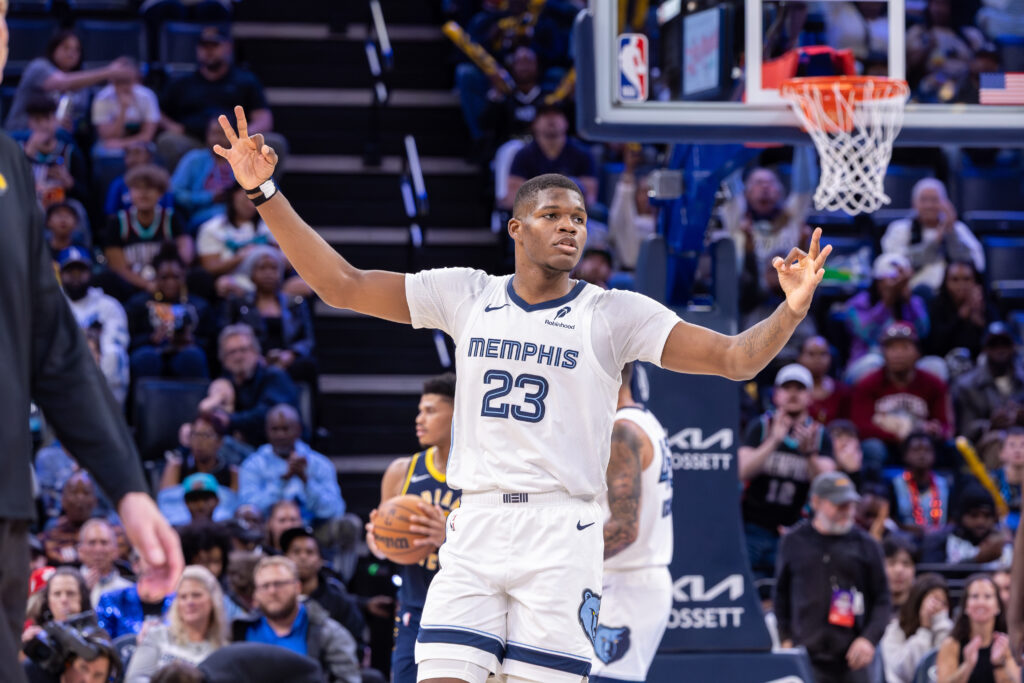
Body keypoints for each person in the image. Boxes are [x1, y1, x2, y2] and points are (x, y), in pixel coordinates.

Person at [214, 106, 831, 683]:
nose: (570, 227)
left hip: (562, 529)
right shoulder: (466, 293)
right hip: (476, 520)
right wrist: (263, 193)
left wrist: (790, 310)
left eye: (580, 219)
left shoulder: (614, 313)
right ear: (516, 227)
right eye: (553, 215)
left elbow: (732, 358)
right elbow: (342, 285)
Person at [365, 373, 458, 683]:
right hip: (414, 610)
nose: (419, 419)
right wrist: (378, 541)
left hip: (465, 609)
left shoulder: (482, 476)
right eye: (420, 410)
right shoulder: (402, 471)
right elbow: (382, 547)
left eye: (431, 411)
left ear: (458, 413)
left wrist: (449, 538)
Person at [588, 363, 673, 683]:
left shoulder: (622, 431)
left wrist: (557, 561)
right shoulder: (643, 421)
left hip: (628, 584)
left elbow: (624, 529)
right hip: (625, 582)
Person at [774, 472, 891, 683]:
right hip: (805, 654)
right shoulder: (793, 542)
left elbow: (883, 599)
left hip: (851, 657)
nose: (847, 512)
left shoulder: (867, 545)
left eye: (850, 505)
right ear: (816, 502)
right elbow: (780, 595)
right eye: (839, 505)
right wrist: (786, 639)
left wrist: (868, 639)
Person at [739, 363, 836, 578]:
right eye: (787, 388)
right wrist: (773, 441)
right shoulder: (761, 427)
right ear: (776, 394)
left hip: (796, 530)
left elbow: (828, 486)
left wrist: (809, 456)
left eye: (799, 389)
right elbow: (742, 471)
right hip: (753, 528)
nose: (793, 394)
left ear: (810, 396)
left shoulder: (818, 435)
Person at [159, 26, 285, 173]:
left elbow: (264, 118)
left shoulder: (245, 80)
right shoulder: (182, 83)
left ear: (228, 48)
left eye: (215, 45)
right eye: (204, 46)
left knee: (274, 144)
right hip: (195, 141)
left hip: (236, 142)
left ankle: (256, 194)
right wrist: (175, 128)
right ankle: (180, 192)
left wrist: (244, 136)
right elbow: (159, 113)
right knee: (167, 141)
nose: (209, 51)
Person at [231, 556, 360, 683]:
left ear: (298, 587)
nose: (272, 591)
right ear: (256, 593)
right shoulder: (239, 628)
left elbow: (348, 679)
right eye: (265, 586)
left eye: (279, 584)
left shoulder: (329, 633)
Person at [850, 322, 953, 475]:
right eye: (892, 348)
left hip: (923, 445)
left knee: (952, 448)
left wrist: (936, 430)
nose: (898, 354)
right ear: (883, 353)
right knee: (871, 448)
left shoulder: (933, 384)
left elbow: (945, 426)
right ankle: (874, 493)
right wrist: (900, 434)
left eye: (904, 347)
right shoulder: (868, 384)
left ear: (917, 352)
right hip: (886, 446)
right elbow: (861, 426)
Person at [4, 28, 134, 132]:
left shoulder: (82, 81)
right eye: (66, 48)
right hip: (22, 132)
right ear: (54, 49)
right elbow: (62, 83)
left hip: (58, 138)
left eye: (76, 50)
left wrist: (71, 125)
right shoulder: (39, 66)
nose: (71, 53)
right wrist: (109, 71)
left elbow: (78, 118)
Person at [221, 246, 316, 385]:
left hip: (287, 359)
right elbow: (229, 335)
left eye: (273, 268)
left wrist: (290, 354)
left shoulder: (294, 303)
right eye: (262, 268)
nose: (268, 273)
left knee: (308, 365)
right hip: (252, 359)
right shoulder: (239, 303)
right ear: (251, 273)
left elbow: (307, 340)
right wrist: (254, 356)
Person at [238, 404, 344, 522]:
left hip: (313, 528)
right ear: (266, 431)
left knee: (348, 523)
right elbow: (249, 510)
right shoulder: (252, 465)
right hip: (267, 530)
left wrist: (306, 481)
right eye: (275, 429)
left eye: (285, 429)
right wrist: (282, 481)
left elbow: (335, 510)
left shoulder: (320, 464)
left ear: (298, 429)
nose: (280, 435)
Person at [101, 163, 191, 298]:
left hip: (167, 283)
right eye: (137, 188)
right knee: (108, 279)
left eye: (149, 188)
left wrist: (164, 283)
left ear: (160, 194)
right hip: (131, 285)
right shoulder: (117, 222)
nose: (143, 193)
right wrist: (147, 285)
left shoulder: (171, 218)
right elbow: (117, 267)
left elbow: (185, 256)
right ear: (129, 193)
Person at [124, 566, 228, 682]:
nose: (189, 602)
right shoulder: (156, 635)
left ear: (213, 600)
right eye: (183, 597)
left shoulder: (222, 649)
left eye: (196, 595)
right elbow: (134, 679)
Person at [880, 178, 985, 293]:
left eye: (935, 200)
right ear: (914, 203)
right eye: (924, 200)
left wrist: (951, 234)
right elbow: (895, 266)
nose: (929, 205)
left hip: (952, 296)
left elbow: (975, 264)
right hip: (913, 294)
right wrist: (934, 244)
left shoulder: (958, 229)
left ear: (945, 204)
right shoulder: (899, 229)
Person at [125, 244, 212, 380]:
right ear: (155, 278)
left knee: (192, 356)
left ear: (183, 277)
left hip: (186, 352)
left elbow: (212, 342)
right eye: (164, 277)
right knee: (146, 357)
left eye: (175, 277)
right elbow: (129, 340)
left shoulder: (199, 305)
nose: (170, 282)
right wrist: (151, 338)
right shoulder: (138, 304)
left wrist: (191, 340)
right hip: (152, 352)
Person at [58, 246, 131, 406]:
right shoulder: (52, 305)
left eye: (80, 271)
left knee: (114, 354)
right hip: (63, 365)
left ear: (90, 273)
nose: (76, 277)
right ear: (61, 274)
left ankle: (109, 417)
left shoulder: (108, 305)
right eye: (70, 272)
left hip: (99, 369)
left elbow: (116, 342)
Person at [207, 324, 299, 446]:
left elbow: (268, 415)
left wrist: (231, 420)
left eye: (243, 350)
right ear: (223, 359)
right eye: (232, 352)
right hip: (246, 449)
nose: (238, 357)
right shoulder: (225, 384)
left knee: (223, 446)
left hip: (277, 450)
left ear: (256, 352)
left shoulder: (274, 376)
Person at [281, 527, 366, 653]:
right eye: (296, 551)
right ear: (285, 558)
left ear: (320, 560)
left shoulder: (340, 602)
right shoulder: (274, 598)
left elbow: (356, 646)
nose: (303, 557)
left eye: (309, 552)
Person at [500, 105, 599, 210]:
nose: (551, 119)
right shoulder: (523, 155)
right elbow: (513, 198)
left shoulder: (582, 154)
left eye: (557, 114)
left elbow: (590, 198)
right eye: (545, 115)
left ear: (566, 122)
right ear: (534, 124)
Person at [936, 574, 1020, 683]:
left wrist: (999, 664)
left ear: (998, 607)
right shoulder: (950, 645)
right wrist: (967, 666)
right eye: (975, 596)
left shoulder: (1007, 645)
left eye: (987, 596)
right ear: (966, 606)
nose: (981, 602)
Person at [38, 471, 130, 566]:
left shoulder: (116, 535)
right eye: (74, 493)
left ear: (95, 501)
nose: (80, 498)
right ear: (63, 500)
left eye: (86, 493)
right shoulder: (49, 538)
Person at [953, 322, 1024, 442]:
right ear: (985, 349)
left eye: (1005, 344)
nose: (1000, 349)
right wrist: (990, 425)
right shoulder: (967, 385)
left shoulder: (1021, 379)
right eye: (994, 345)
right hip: (988, 445)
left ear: (1013, 346)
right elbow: (965, 430)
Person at [880, 573, 953, 683]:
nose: (937, 608)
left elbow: (947, 670)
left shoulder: (950, 629)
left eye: (942, 602)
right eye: (933, 601)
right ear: (918, 602)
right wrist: (925, 630)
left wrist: (941, 626)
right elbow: (906, 672)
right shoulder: (894, 630)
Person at [921, 485, 1013, 567]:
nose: (980, 521)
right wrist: (976, 560)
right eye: (974, 515)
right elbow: (931, 577)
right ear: (961, 516)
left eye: (987, 516)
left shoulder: (1004, 544)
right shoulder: (940, 541)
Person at [925, 260, 993, 360]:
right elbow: (933, 346)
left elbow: (998, 342)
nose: (961, 285)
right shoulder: (936, 305)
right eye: (955, 280)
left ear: (975, 282)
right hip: (944, 361)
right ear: (946, 282)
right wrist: (960, 317)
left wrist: (979, 319)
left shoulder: (985, 304)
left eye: (967, 279)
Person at [888, 432, 952, 538]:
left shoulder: (945, 484)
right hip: (905, 538)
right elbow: (891, 520)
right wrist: (914, 530)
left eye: (927, 450)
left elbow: (952, 520)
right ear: (905, 455)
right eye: (916, 450)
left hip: (939, 539)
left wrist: (938, 533)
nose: (922, 454)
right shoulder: (895, 484)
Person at [22, 625, 121, 683]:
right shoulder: (32, 674)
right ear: (67, 662)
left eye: (98, 675)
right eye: (83, 668)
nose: (88, 680)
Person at [22, 567, 92, 643]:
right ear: (48, 600)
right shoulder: (38, 635)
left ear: (83, 597)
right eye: (57, 594)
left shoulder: (97, 635)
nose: (64, 599)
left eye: (70, 593)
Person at [77, 519, 134, 608]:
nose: (98, 549)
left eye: (104, 543)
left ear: (115, 551)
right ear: (80, 551)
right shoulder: (68, 590)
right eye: (92, 543)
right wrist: (82, 593)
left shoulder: (128, 591)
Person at [801, 336, 850, 425]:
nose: (817, 359)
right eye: (811, 354)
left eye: (823, 354)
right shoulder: (792, 390)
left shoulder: (842, 391)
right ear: (800, 357)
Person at [991, 428, 1024, 532]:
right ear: (1001, 453)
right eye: (1012, 445)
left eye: (1023, 445)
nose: (1018, 450)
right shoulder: (992, 479)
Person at [883, 536, 917, 618]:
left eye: (906, 564)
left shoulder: (921, 610)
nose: (899, 570)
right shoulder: (868, 609)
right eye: (891, 563)